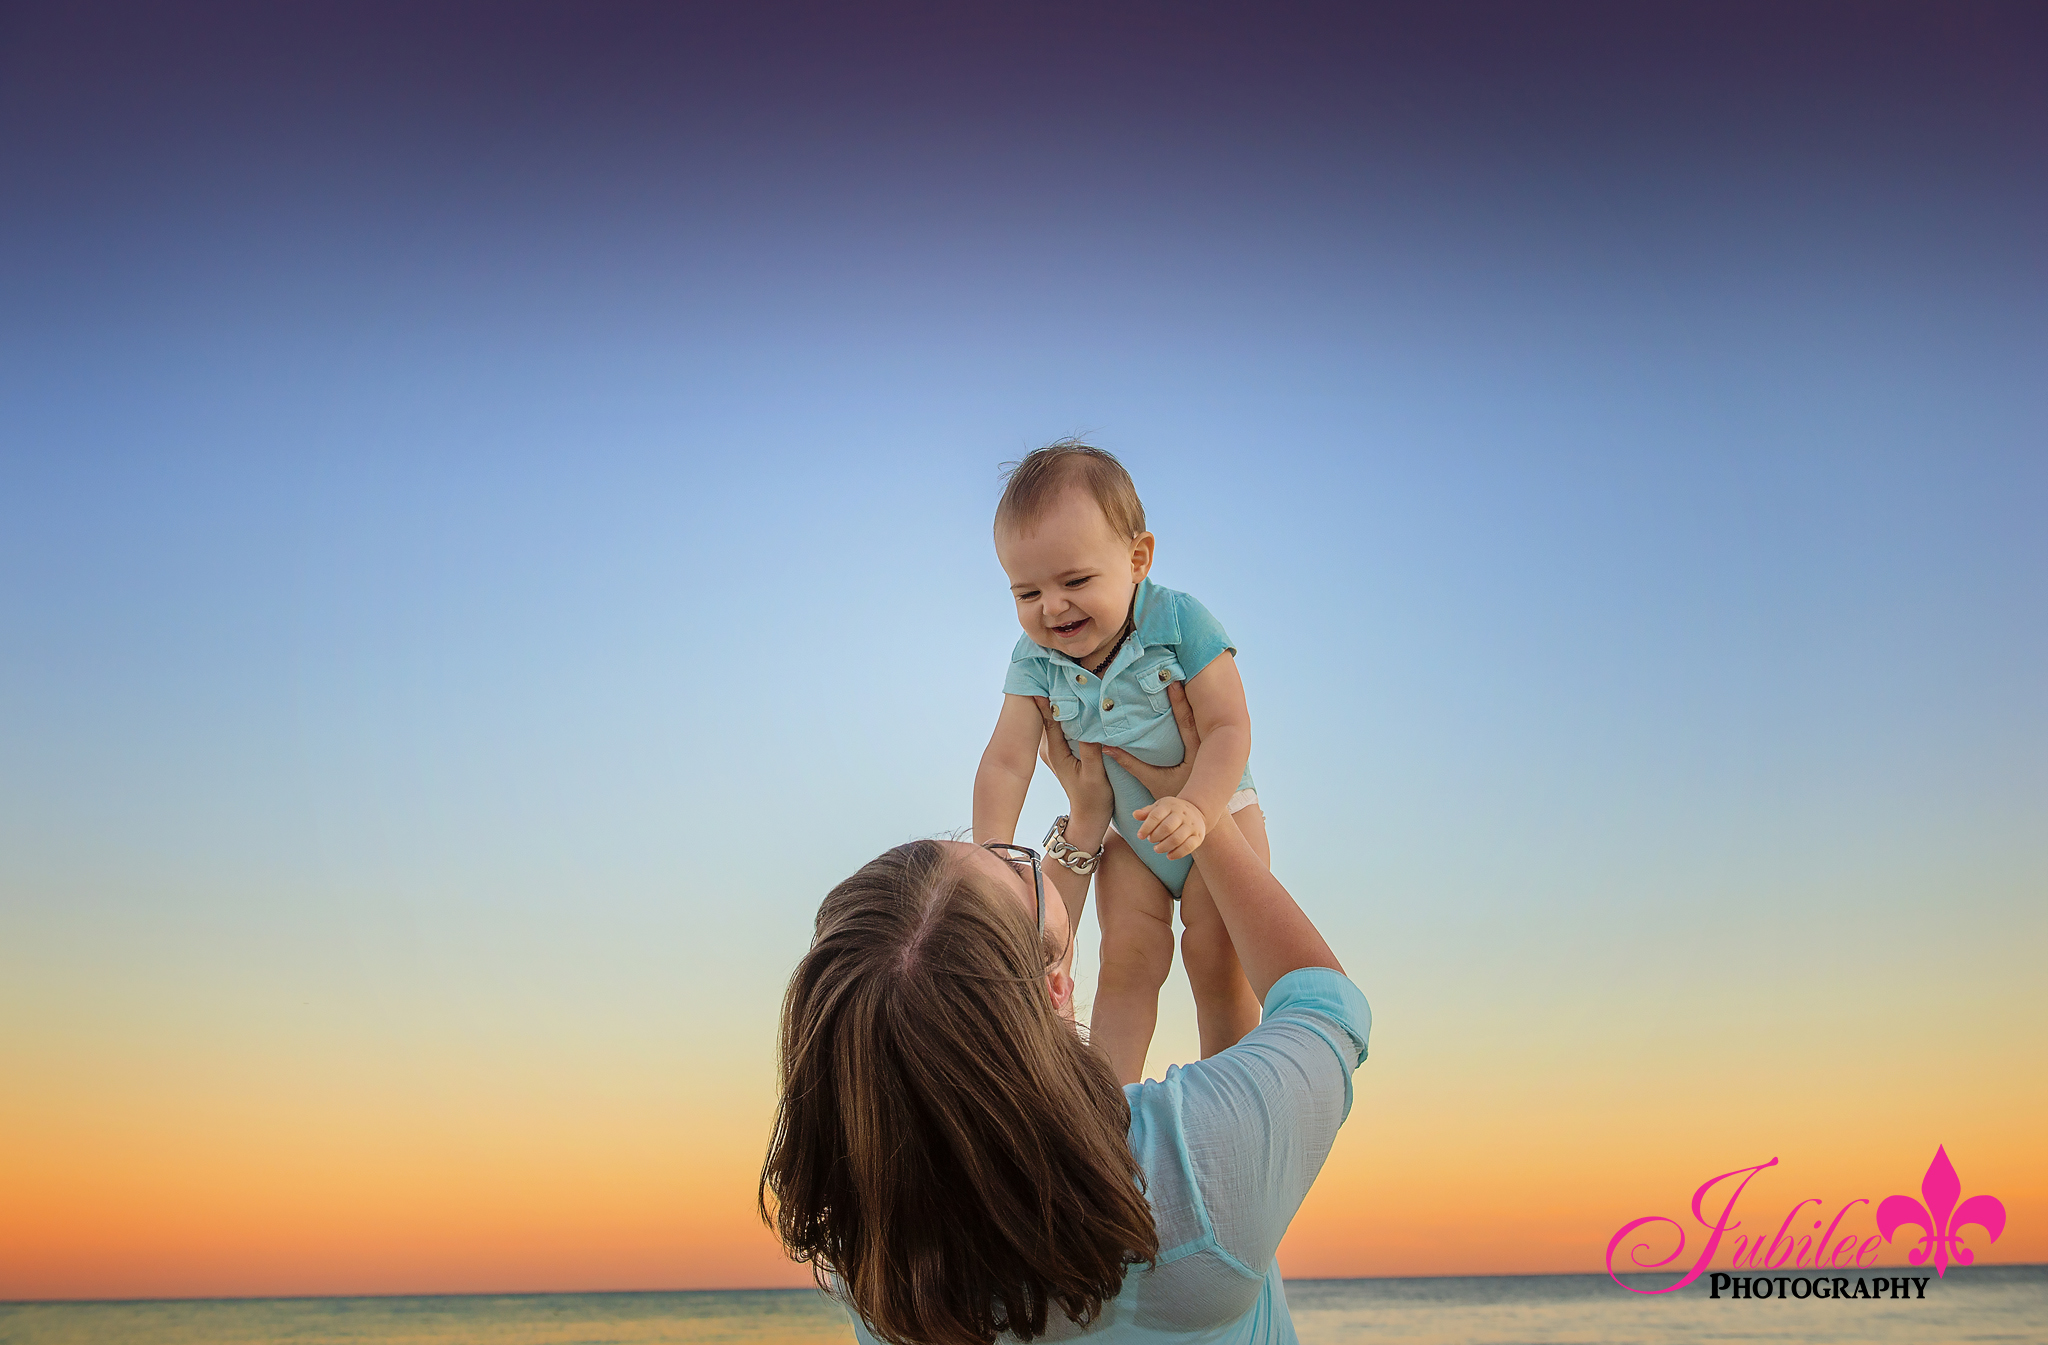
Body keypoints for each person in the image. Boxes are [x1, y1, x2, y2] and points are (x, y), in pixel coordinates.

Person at [761, 687, 1371, 1345]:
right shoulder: (1191, 1172)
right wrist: (1205, 809)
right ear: (1057, 989)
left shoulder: (872, 1254)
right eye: (1011, 860)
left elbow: (987, 999)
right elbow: (1324, 1005)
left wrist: (1084, 826)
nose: (1018, 852)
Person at [972, 441, 1270, 1084]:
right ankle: (1107, 1102)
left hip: (1216, 817)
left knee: (1216, 958)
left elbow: (1227, 726)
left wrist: (1197, 807)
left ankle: (1227, 1089)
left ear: (1137, 559)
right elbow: (1005, 761)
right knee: (1127, 964)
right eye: (1027, 592)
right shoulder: (1033, 659)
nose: (1052, 608)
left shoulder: (1179, 621)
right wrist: (992, 854)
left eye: (1075, 582)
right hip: (1129, 840)